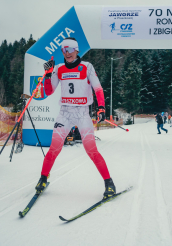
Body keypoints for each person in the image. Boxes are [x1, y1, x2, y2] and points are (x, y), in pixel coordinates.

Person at [36, 37, 115, 200]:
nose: (67, 53)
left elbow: (98, 89)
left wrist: (101, 108)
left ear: (77, 50)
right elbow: (49, 91)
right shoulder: (58, 69)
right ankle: (43, 179)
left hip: (82, 113)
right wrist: (48, 75)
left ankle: (109, 183)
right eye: (63, 50)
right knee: (54, 149)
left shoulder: (87, 67)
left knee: (91, 150)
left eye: (70, 49)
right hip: (64, 113)